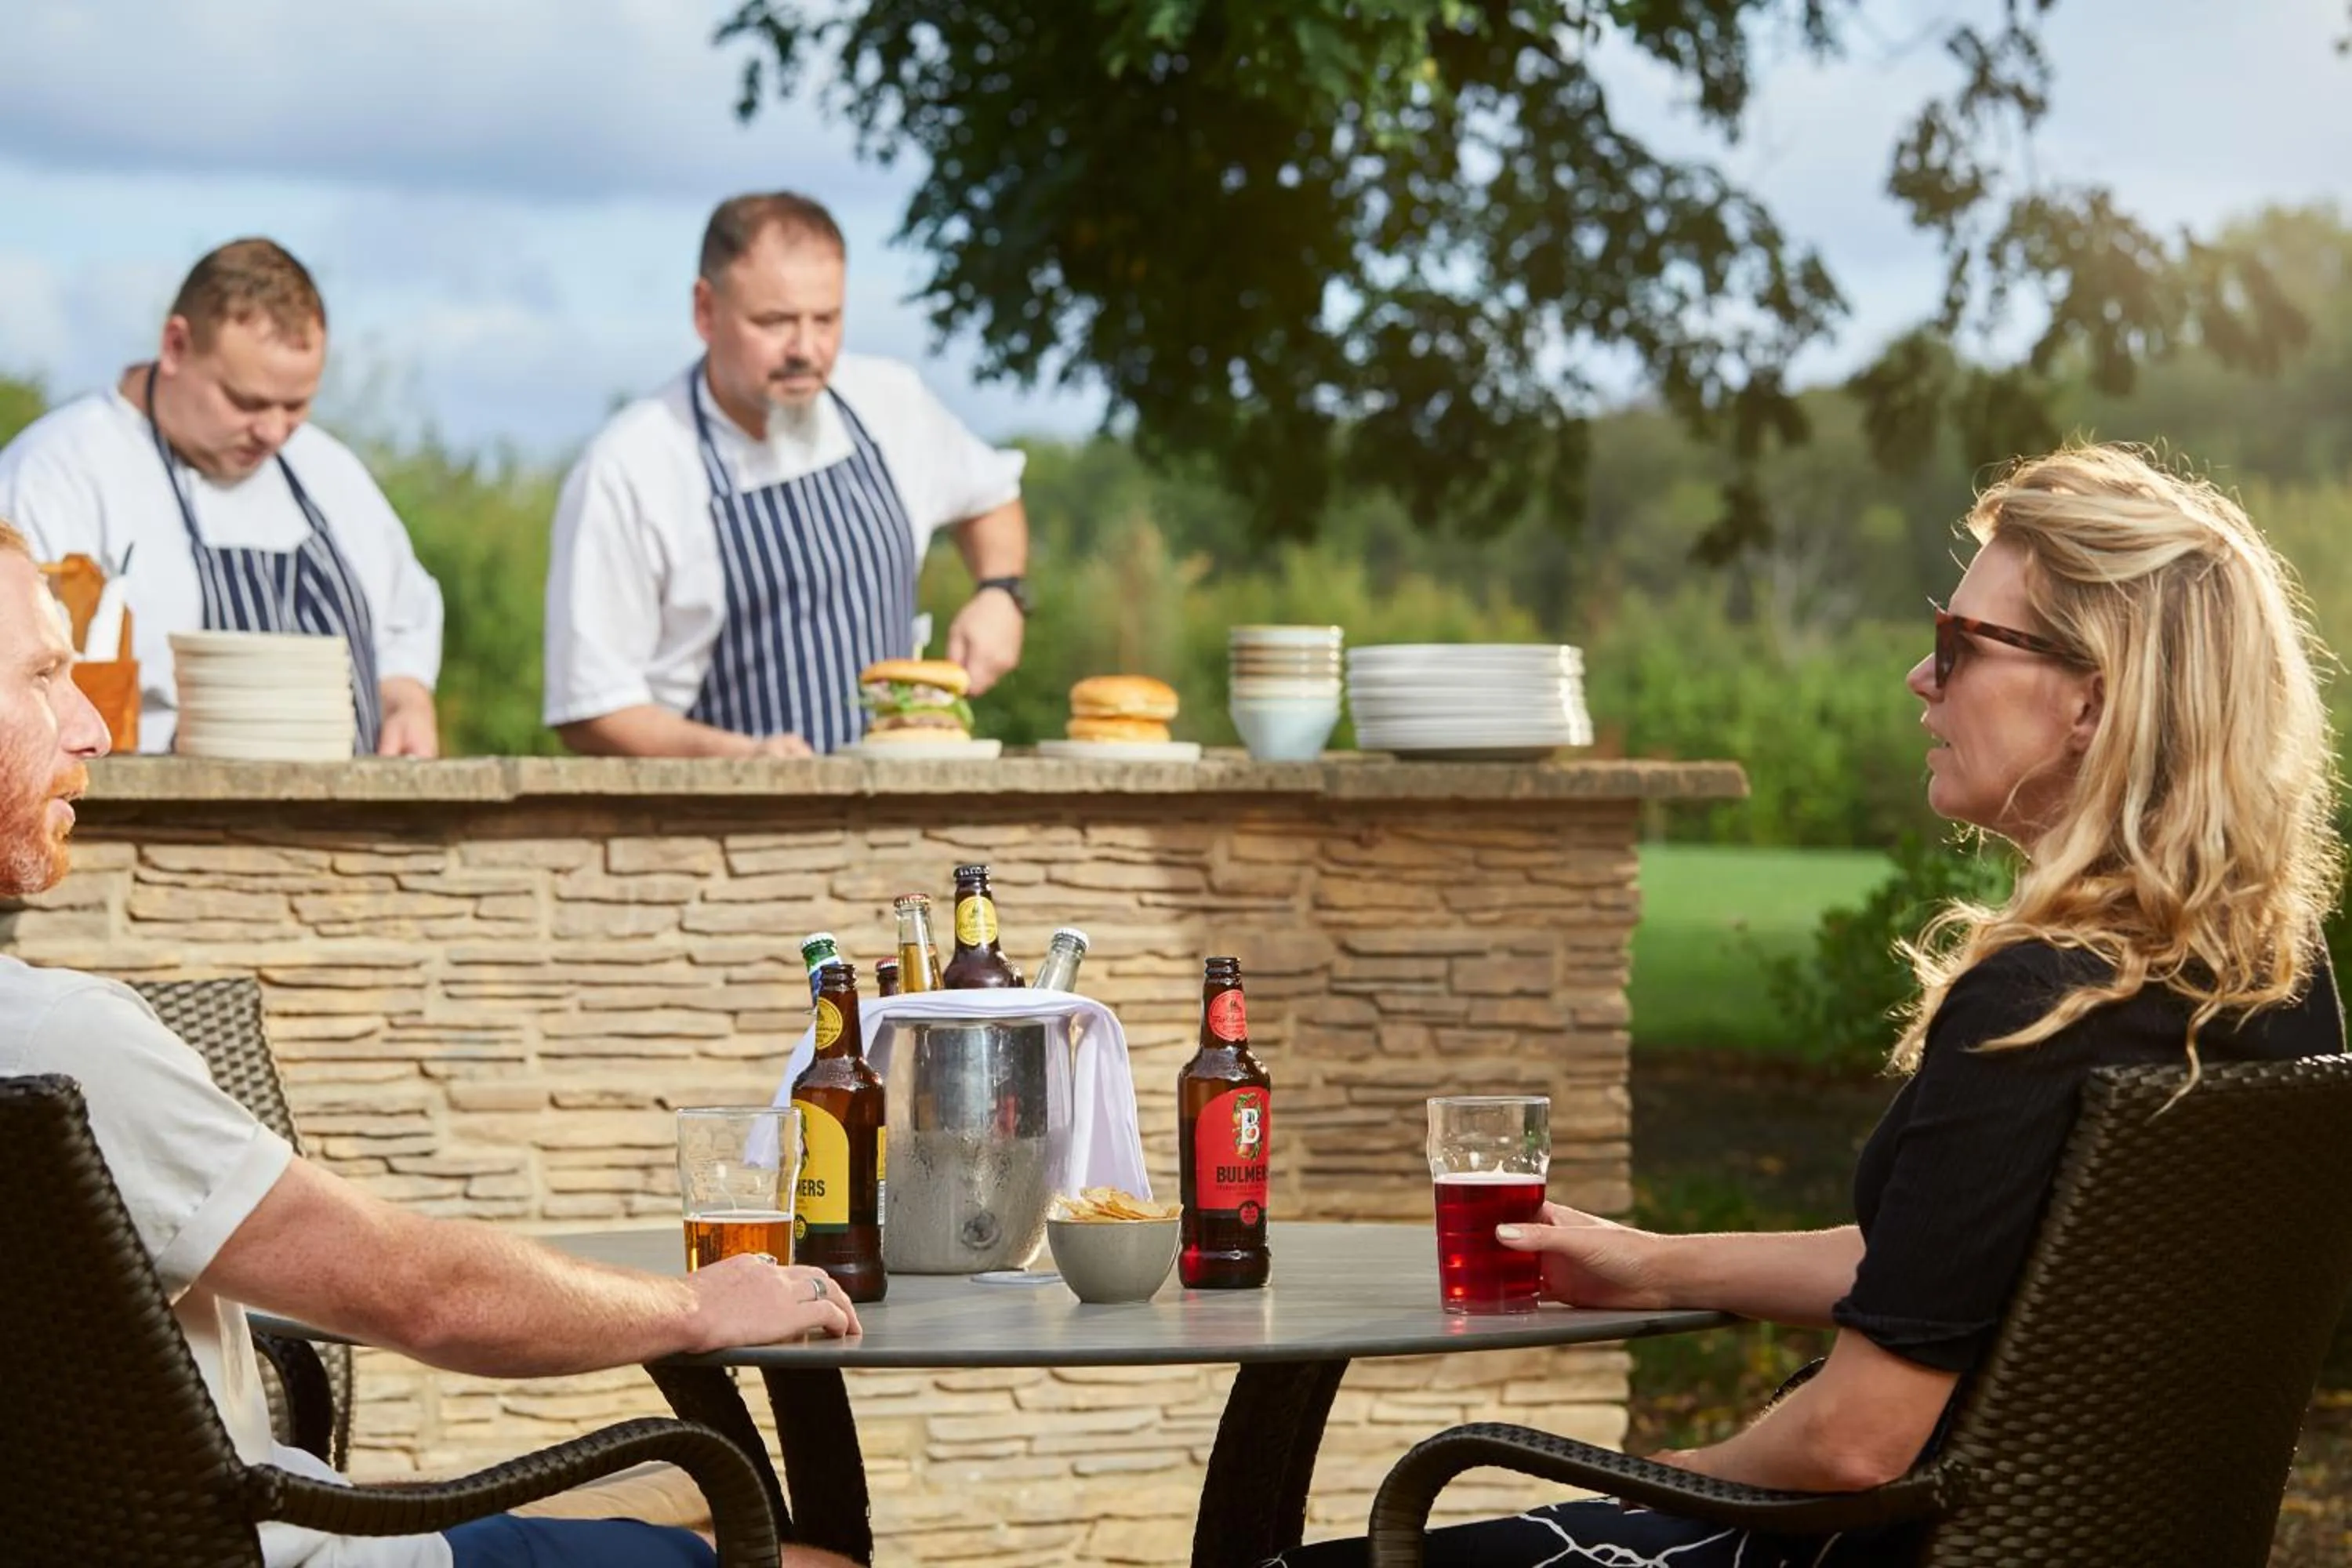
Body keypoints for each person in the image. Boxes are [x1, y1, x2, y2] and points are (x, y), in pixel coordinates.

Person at [1272, 443, 2347, 1567]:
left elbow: (1852, 1448)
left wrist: (1647, 1490)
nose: (1919, 679)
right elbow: (1955, 1271)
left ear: (2094, 698)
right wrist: (1655, 1263)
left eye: (1959, 645)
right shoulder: (2266, 978)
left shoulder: (2031, 1008)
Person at [0, 520, 856, 1566]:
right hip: (287, 1553)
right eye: (45, 674)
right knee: (805, 1555)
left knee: (678, 1498)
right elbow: (426, 1296)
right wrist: (696, 1305)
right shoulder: (58, 1045)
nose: (92, 727)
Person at [543, 191, 1029, 759]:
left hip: (904, 810)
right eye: (774, 322)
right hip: (724, 829)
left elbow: (991, 496)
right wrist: (744, 762)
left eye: (826, 319)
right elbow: (590, 708)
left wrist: (1001, 592)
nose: (806, 349)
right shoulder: (630, 469)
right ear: (705, 311)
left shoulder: (889, 402)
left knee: (972, 857)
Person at [0, 238, 445, 757]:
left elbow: (403, 623)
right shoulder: (57, 473)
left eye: (296, 405)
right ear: (176, 346)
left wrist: (407, 701)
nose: (274, 431)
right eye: (247, 402)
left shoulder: (330, 473)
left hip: (347, 832)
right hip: (138, 827)